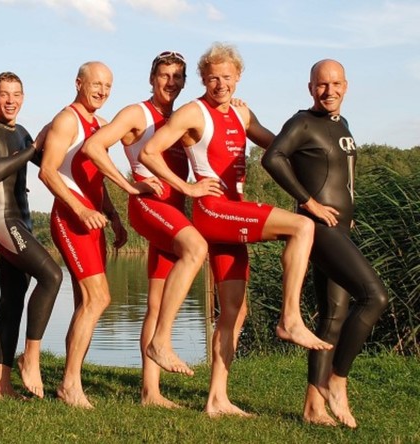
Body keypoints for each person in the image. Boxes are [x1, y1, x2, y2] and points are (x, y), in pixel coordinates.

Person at [138, 42, 332, 417]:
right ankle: (290, 317)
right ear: (203, 79)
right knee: (302, 226)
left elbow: (278, 146)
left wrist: (318, 149)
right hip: (214, 212)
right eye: (212, 78)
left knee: (234, 312)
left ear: (239, 77)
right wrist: (188, 188)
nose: (220, 84)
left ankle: (217, 399)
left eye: (227, 77)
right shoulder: (194, 111)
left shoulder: (242, 114)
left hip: (235, 217)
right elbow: (149, 152)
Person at [262, 59, 388, 428]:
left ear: (346, 86)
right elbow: (272, 158)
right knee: (375, 297)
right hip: (318, 229)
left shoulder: (341, 124)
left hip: (341, 228)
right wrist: (309, 202)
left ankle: (313, 407)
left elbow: (339, 177)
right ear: (310, 87)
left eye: (335, 84)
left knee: (332, 318)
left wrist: (349, 212)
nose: (328, 91)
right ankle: (337, 380)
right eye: (321, 85)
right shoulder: (302, 122)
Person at [81, 51, 207, 407]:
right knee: (196, 249)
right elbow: (94, 146)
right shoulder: (138, 113)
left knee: (155, 303)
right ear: (152, 78)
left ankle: (150, 392)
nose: (171, 83)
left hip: (174, 211)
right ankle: (162, 343)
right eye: (164, 75)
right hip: (149, 206)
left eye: (178, 77)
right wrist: (130, 185)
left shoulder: (184, 116)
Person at [38, 61, 126, 409]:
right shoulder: (66, 120)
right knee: (98, 299)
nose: (102, 91)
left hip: (94, 222)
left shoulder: (99, 124)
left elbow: (94, 179)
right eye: (96, 84)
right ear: (78, 82)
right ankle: (69, 385)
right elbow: (47, 172)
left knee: (85, 304)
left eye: (108, 85)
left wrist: (113, 215)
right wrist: (81, 210)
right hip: (72, 220)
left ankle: (71, 379)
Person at [0, 72, 63, 400]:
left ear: (23, 98)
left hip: (22, 222)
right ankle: (30, 358)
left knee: (12, 303)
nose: (11, 101)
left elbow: (49, 163)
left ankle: (0, 387)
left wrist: (64, 132)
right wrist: (34, 145)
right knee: (52, 276)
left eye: (16, 94)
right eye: (4, 94)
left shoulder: (22, 133)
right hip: (1, 220)